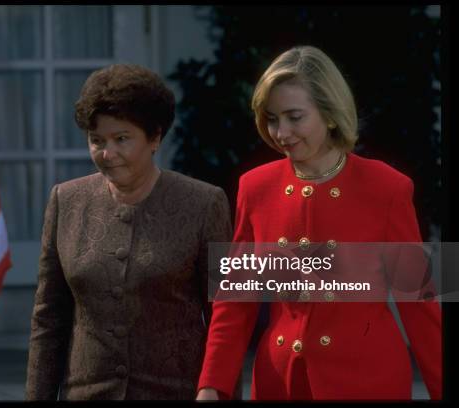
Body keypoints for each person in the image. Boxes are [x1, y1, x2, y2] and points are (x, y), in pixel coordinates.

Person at [196, 46, 442, 400]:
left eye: (294, 117)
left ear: (329, 114)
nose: (281, 132)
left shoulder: (390, 187)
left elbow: (421, 303)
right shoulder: (254, 186)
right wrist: (211, 385)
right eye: (271, 118)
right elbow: (235, 296)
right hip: (281, 381)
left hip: (368, 382)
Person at [24, 64, 233, 400]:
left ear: (155, 137)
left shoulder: (204, 203)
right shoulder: (66, 201)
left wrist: (220, 393)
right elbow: (48, 319)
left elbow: (226, 317)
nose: (108, 154)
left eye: (122, 139)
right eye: (97, 141)